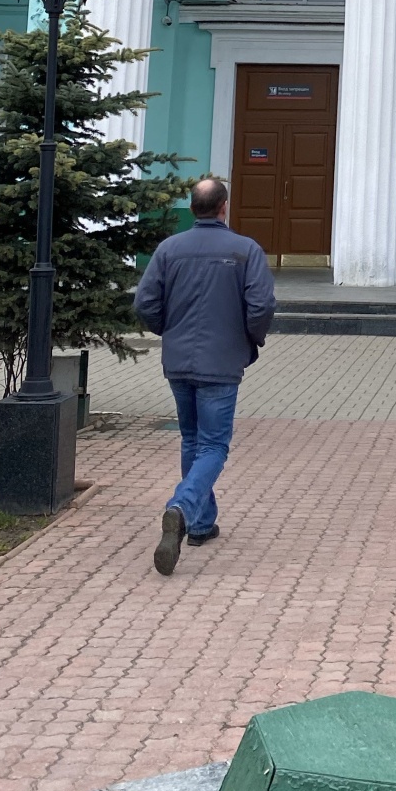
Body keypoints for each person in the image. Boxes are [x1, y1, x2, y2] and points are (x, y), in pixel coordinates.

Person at [134, 175, 275, 576]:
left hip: (178, 360)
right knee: (213, 445)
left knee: (192, 439)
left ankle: (199, 524)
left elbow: (145, 302)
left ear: (192, 208)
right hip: (221, 363)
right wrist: (248, 338)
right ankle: (181, 507)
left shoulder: (168, 249)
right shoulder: (245, 250)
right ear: (224, 207)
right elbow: (261, 305)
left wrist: (169, 330)